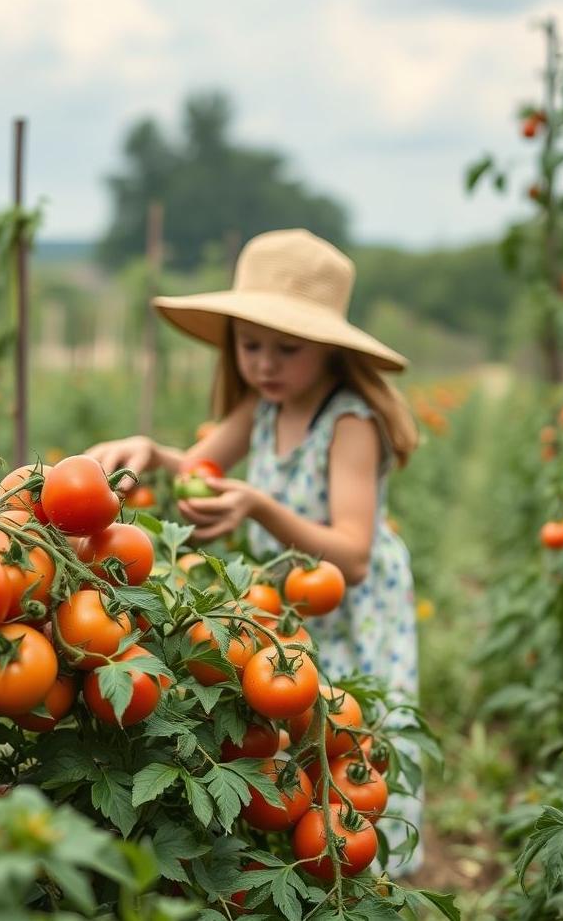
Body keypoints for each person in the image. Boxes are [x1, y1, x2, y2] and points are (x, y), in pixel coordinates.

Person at [87, 228, 423, 874]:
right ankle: (302, 866)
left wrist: (257, 506)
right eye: (250, 345)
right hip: (288, 607)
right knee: (290, 738)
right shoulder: (264, 407)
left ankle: (373, 876)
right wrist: (151, 452)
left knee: (352, 741)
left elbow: (351, 557)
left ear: (327, 349)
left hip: (352, 611)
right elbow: (197, 465)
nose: (265, 364)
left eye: (286, 349)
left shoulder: (349, 422)